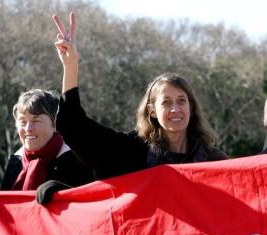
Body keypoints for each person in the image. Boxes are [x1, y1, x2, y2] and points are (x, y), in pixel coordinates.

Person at [51, 13, 227, 181]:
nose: (175, 109)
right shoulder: (133, 152)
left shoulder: (214, 160)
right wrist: (71, 66)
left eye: (182, 101)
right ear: (152, 111)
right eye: (166, 102)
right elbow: (74, 126)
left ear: (191, 108)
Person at [0, 89, 94, 205]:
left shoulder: (78, 158)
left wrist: (66, 197)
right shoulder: (15, 162)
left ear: (55, 124)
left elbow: (94, 207)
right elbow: (7, 214)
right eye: (22, 121)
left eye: (36, 120)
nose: (28, 128)